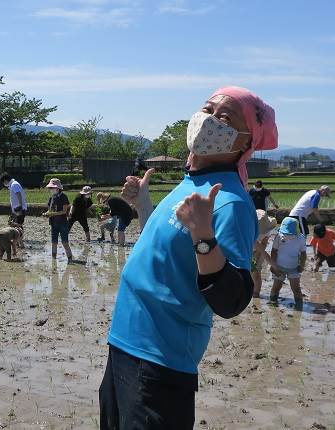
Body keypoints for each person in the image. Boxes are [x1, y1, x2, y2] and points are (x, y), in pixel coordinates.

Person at [100, 86, 277, 428]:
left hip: (159, 361)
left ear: (243, 142)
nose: (209, 120)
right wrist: (142, 203)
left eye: (224, 117)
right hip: (124, 342)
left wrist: (204, 237)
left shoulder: (230, 203)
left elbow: (232, 300)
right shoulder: (190, 183)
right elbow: (164, 246)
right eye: (207, 109)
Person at [269, 217, 307, 308]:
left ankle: (299, 307)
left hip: (294, 268)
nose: (287, 235)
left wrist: (302, 265)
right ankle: (272, 305)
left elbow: (303, 254)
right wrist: (273, 266)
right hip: (279, 267)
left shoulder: (301, 238)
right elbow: (274, 251)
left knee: (296, 289)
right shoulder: (279, 236)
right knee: (276, 287)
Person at [43, 178, 73, 261]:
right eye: (50, 188)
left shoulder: (64, 197)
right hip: (53, 223)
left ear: (57, 188)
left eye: (52, 188)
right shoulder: (51, 198)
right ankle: (54, 260)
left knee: (65, 242)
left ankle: (70, 259)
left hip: (63, 223)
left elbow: (64, 211)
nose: (50, 190)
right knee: (54, 242)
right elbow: (50, 210)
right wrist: (46, 213)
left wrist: (52, 214)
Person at [251, 209, 277, 298]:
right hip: (246, 249)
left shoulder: (267, 229)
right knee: (247, 271)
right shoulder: (248, 232)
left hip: (259, 248)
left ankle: (256, 293)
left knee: (256, 272)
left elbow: (264, 247)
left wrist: (258, 258)